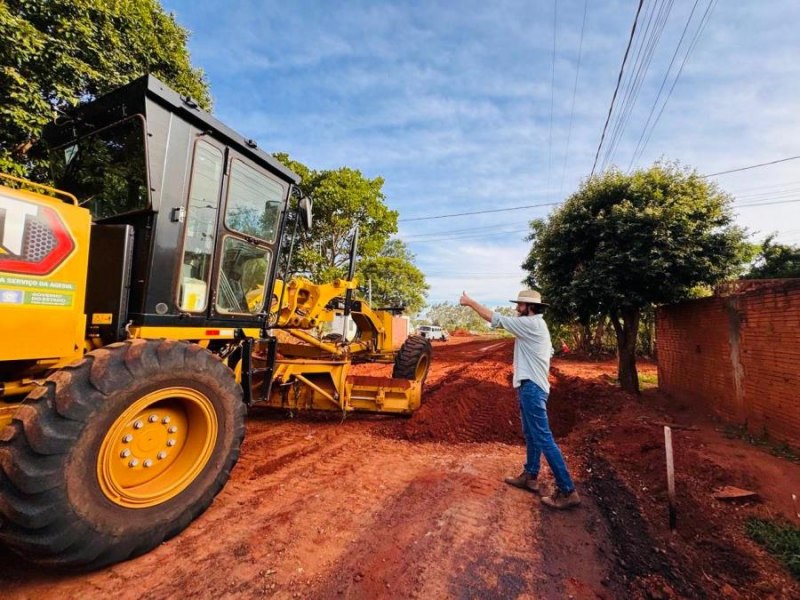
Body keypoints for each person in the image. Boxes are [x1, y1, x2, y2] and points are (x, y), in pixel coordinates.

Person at [459, 289, 581, 510]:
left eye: (520, 305)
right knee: (532, 434)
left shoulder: (530, 324)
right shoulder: (537, 326)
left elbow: (493, 318)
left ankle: (567, 490)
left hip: (532, 389)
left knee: (544, 438)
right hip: (531, 387)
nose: (517, 308)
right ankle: (530, 476)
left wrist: (470, 302)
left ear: (529, 307)